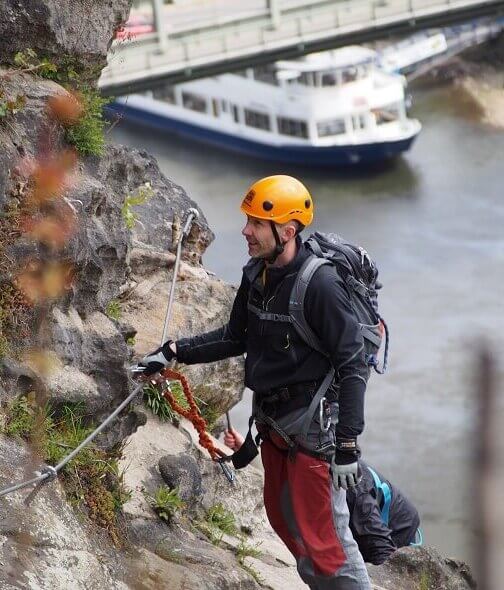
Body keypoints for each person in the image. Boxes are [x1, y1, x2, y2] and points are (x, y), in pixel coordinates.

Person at [139, 175, 373, 589]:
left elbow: (353, 364)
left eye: (255, 224)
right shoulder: (257, 274)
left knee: (327, 542)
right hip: (274, 421)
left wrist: (348, 445)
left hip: (314, 430)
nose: (245, 231)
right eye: (248, 221)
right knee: (285, 521)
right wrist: (175, 351)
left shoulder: (321, 285)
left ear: (287, 231)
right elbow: (235, 337)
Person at [224, 428, 421, 566]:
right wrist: (244, 449)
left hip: (397, 535)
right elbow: (282, 472)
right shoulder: (311, 459)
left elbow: (383, 552)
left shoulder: (354, 492)